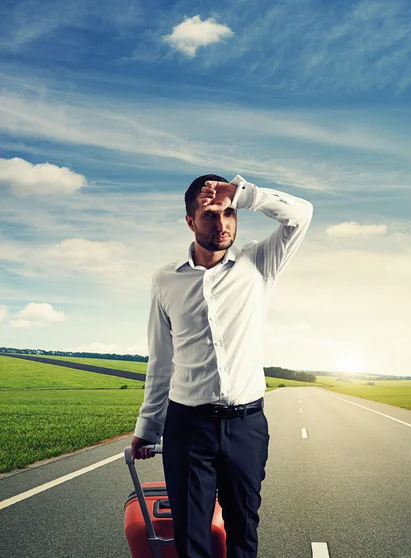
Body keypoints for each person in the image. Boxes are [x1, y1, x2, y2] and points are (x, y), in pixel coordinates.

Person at [131, 173, 313, 558]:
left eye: (229, 213)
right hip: (188, 427)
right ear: (190, 221)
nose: (222, 223)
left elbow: (301, 214)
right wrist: (148, 427)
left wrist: (243, 194)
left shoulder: (258, 264)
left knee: (243, 534)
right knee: (191, 540)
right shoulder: (165, 281)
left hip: (246, 426)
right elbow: (161, 359)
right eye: (210, 214)